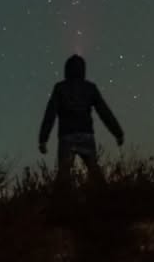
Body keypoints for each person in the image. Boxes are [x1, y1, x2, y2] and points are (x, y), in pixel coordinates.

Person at [38, 54, 124, 187]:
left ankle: (61, 204)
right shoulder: (90, 88)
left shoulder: (60, 88)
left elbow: (50, 114)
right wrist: (118, 133)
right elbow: (104, 112)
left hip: (67, 136)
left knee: (64, 175)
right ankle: (106, 201)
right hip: (86, 135)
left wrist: (43, 139)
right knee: (94, 171)